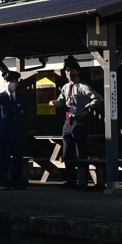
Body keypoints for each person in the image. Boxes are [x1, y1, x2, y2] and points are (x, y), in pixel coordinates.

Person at [48, 57, 102, 190]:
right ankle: (71, 180)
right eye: (66, 70)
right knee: (67, 152)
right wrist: (54, 103)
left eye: (71, 70)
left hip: (79, 120)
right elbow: (62, 101)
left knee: (81, 151)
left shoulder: (83, 86)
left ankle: (83, 181)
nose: (68, 72)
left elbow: (98, 98)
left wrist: (87, 107)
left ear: (77, 71)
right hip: (68, 121)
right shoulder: (66, 87)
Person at [0, 70, 28, 190]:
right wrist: (2, 123)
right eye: (7, 81)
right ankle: (2, 181)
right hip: (5, 133)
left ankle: (17, 182)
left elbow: (26, 114)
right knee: (4, 159)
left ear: (17, 83)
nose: (9, 83)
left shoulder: (22, 98)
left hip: (18, 133)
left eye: (12, 81)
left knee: (18, 159)